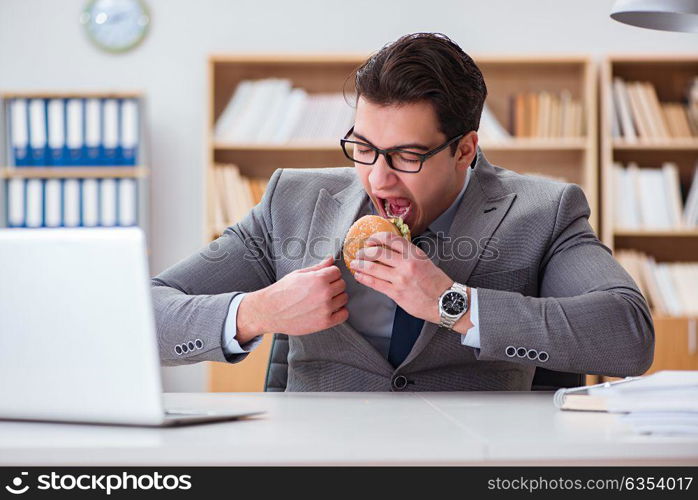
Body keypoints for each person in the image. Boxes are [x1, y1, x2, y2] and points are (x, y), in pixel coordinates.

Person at [151, 32, 654, 391]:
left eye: (408, 156)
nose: (378, 177)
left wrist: (453, 304)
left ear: (465, 150)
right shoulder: (292, 202)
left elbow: (629, 335)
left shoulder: (544, 211)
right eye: (363, 147)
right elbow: (144, 314)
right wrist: (255, 312)